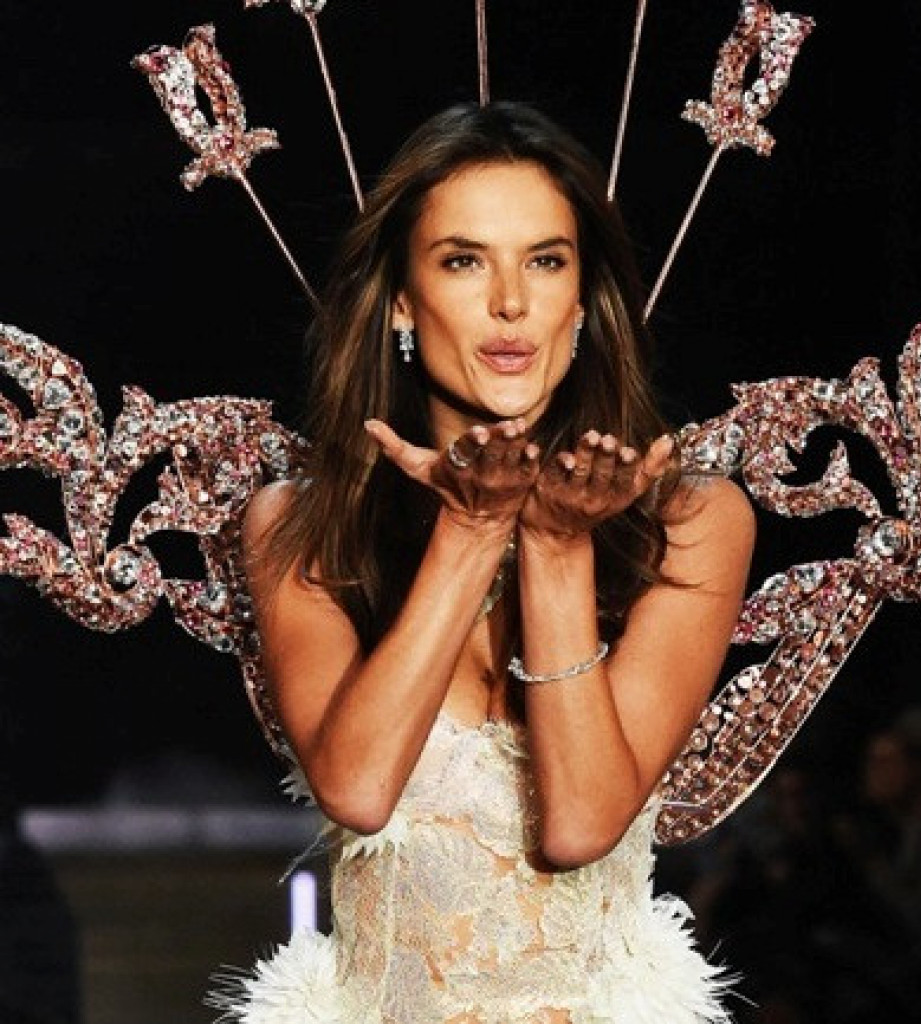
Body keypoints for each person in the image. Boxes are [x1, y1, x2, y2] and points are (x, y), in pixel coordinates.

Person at [217, 101, 755, 1023]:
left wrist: (555, 545)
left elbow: (582, 824)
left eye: (545, 261)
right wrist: (470, 531)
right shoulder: (301, 525)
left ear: (581, 301)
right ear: (400, 298)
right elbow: (358, 789)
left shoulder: (693, 521)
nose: (511, 303)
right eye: (463, 261)